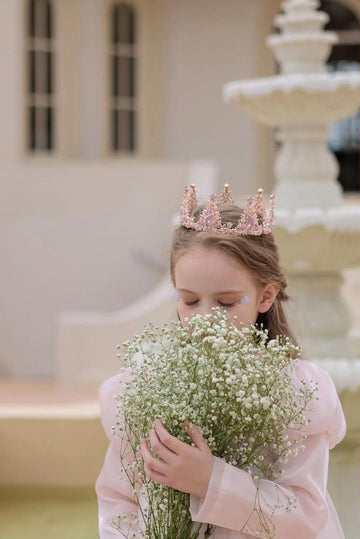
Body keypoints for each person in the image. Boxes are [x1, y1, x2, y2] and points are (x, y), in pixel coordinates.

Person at [95, 184, 346, 538]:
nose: (205, 318)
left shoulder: (296, 392)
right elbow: (118, 498)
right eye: (189, 300)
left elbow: (304, 515)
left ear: (266, 295)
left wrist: (211, 480)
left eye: (226, 303)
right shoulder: (148, 384)